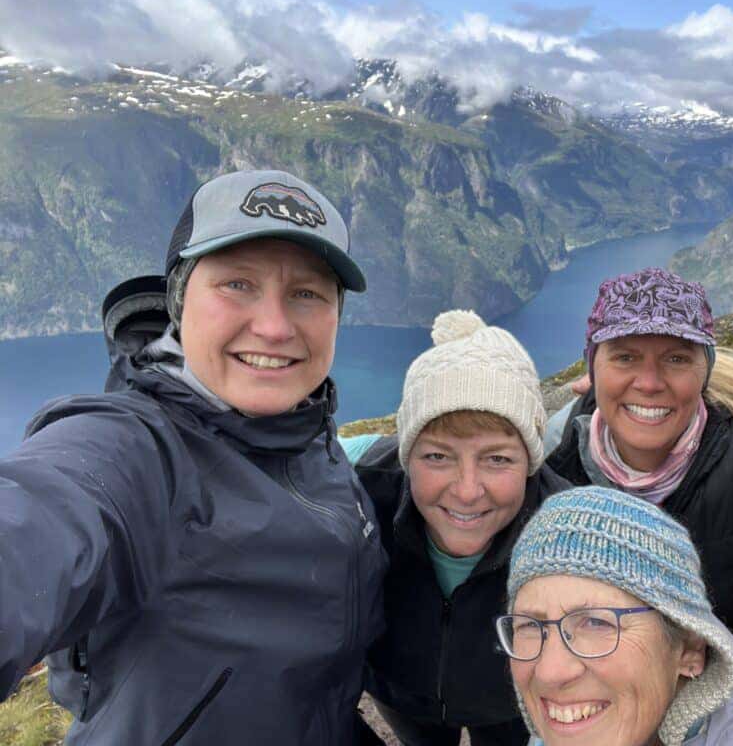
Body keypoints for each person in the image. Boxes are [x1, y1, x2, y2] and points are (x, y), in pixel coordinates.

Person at [0, 169, 387, 744]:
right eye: (237, 284)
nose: (276, 326)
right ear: (180, 300)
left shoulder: (309, 433)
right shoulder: (135, 448)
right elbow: (40, 518)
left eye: (307, 293)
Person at [342, 309, 569, 745]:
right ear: (407, 455)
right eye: (437, 457)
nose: (467, 492)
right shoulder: (362, 487)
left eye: (497, 458)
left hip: (509, 705)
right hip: (401, 693)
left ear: (531, 461)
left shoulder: (564, 528)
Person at [544, 267, 733, 635]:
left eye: (676, 359)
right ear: (593, 367)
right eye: (625, 358)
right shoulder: (556, 450)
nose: (649, 384)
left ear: (705, 371)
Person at [498, 487, 733, 746]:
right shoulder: (585, 724)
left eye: (596, 623)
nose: (550, 672)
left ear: (690, 650)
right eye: (531, 625)